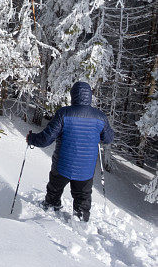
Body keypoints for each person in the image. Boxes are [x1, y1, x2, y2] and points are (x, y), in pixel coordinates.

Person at [27, 81, 114, 222]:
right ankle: (81, 220)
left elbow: (46, 139)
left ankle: (51, 207)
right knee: (83, 197)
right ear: (90, 97)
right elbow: (109, 138)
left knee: (54, 190)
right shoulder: (100, 117)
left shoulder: (64, 113)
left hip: (62, 166)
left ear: (73, 96)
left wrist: (31, 138)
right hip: (85, 169)